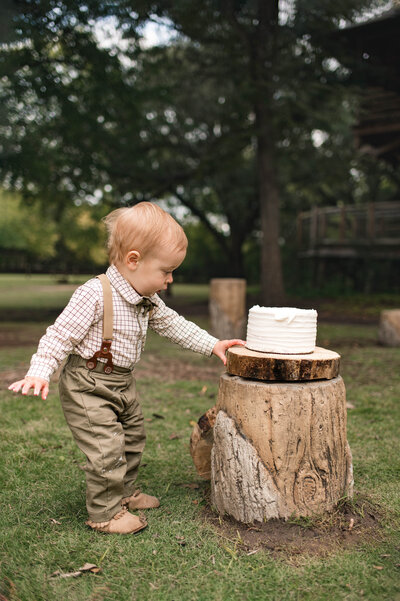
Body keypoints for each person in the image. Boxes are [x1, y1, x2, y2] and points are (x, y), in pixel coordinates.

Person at [8, 202, 245, 535]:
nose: (170, 279)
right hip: (87, 383)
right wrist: (39, 371)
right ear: (133, 260)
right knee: (106, 448)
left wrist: (212, 344)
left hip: (121, 381)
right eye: (166, 271)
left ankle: (124, 493)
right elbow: (58, 336)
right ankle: (104, 514)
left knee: (133, 437)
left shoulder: (146, 299)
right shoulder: (93, 294)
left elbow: (174, 325)